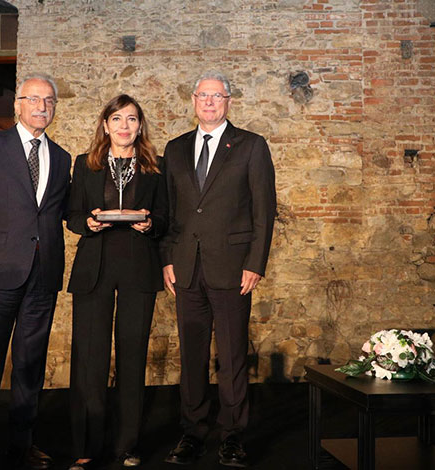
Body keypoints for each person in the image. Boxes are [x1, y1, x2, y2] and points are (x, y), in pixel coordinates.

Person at [0, 73, 72, 470]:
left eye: (49, 101)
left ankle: (23, 445)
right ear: (17, 104)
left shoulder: (63, 158)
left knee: (30, 364)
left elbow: (62, 212)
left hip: (43, 274)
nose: (42, 106)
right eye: (34, 99)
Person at [161, 71, 277, 468]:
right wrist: (167, 258)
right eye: (203, 95)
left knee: (231, 357)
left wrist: (255, 263)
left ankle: (232, 436)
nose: (209, 102)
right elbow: (169, 211)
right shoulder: (175, 148)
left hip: (233, 268)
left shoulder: (251, 146)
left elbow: (264, 210)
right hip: (186, 269)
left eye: (217, 96)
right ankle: (192, 432)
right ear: (193, 100)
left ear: (229, 101)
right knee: (191, 357)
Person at [65, 95, 168, 470]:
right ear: (105, 125)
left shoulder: (156, 166)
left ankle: (127, 445)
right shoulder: (84, 164)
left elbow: (166, 218)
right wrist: (89, 222)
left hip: (139, 267)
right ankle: (86, 446)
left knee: (132, 357)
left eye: (132, 119)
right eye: (117, 119)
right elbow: (72, 214)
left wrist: (150, 223)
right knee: (89, 360)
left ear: (140, 127)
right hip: (94, 267)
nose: (125, 126)